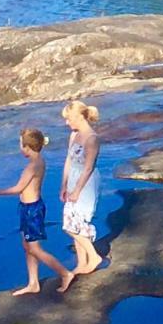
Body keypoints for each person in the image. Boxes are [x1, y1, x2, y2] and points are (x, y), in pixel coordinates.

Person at [0, 128, 75, 295]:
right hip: (29, 208)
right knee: (27, 246)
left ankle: (65, 273)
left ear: (27, 147)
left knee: (34, 248)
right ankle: (33, 283)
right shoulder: (40, 161)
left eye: (21, 144)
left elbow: (18, 188)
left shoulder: (32, 167)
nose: (20, 148)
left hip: (31, 210)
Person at [61, 100, 103, 276]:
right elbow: (69, 160)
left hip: (86, 183)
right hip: (73, 179)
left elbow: (88, 167)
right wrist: (63, 184)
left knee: (71, 225)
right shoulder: (74, 135)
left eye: (69, 118)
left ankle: (93, 257)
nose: (66, 122)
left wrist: (77, 189)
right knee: (74, 220)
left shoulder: (92, 139)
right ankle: (82, 262)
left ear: (79, 117)